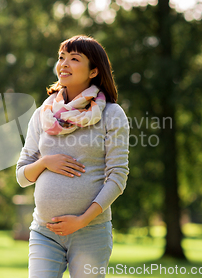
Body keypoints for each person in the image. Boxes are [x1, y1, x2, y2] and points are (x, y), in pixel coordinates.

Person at [16, 35, 130, 278]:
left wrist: (82, 220)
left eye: (74, 58)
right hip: (44, 231)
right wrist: (45, 162)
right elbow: (22, 176)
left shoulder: (111, 114)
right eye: (61, 57)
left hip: (91, 232)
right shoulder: (42, 114)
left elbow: (117, 177)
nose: (64, 64)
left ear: (93, 71)